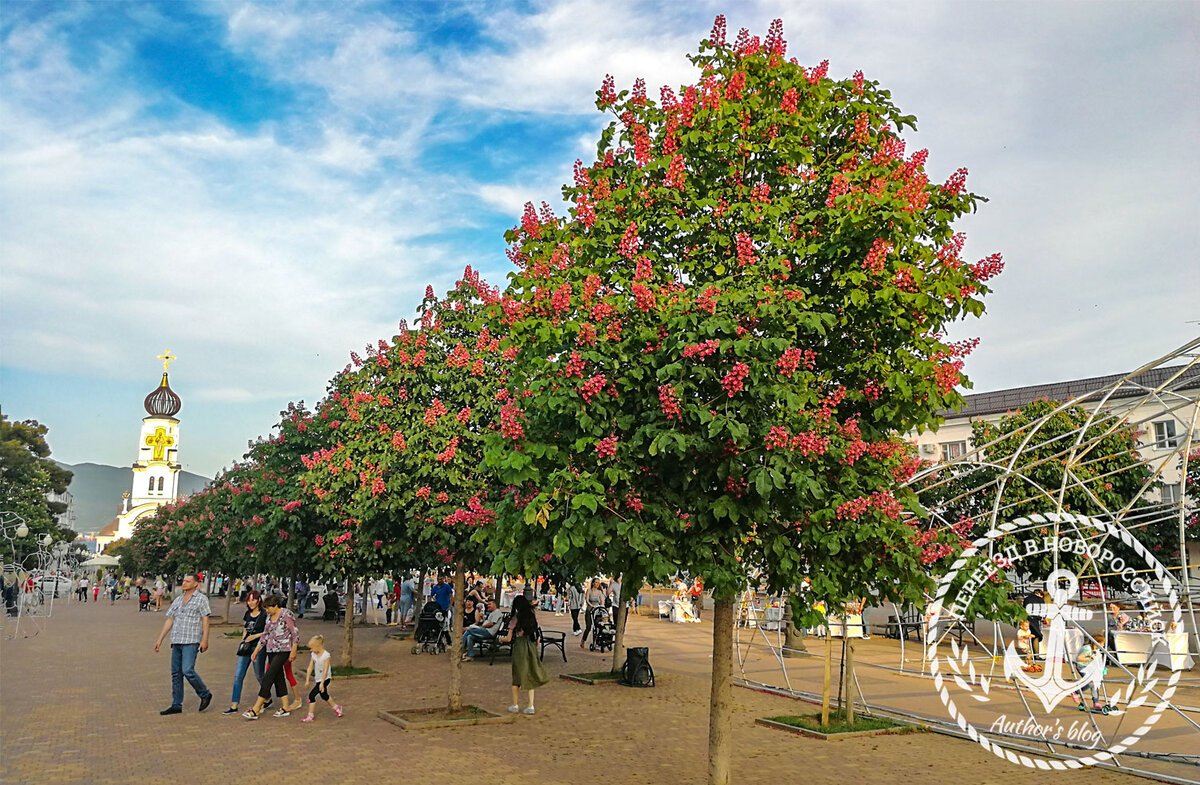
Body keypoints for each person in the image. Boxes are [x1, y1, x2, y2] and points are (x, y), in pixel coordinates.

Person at [152, 572, 213, 715]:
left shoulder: (201, 599)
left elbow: (205, 619)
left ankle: (204, 693)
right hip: (177, 640)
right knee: (176, 673)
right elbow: (170, 619)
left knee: (187, 670)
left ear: (195, 584)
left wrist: (205, 639)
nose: (184, 583)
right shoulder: (178, 600)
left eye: (187, 581)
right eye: (183, 581)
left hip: (191, 640)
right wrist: (160, 639)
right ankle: (176, 704)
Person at [243, 595, 299, 719]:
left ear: (275, 606)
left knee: (268, 675)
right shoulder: (269, 617)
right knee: (278, 677)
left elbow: (294, 633)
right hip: (271, 649)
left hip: (284, 649)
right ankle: (285, 706)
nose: (266, 611)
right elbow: (265, 635)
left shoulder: (286, 614)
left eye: (268, 608)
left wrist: (294, 650)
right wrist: (256, 650)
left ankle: (257, 707)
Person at [496, 595, 549, 715]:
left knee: (517, 675)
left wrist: (500, 640)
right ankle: (531, 705)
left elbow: (509, 638)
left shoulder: (515, 618)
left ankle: (515, 704)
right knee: (530, 672)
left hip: (520, 646)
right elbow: (537, 638)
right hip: (531, 645)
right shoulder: (531, 617)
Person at [223, 590, 267, 715]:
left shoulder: (264, 615)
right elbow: (245, 627)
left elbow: (267, 632)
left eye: (253, 599)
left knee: (259, 675)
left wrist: (254, 637)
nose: (251, 602)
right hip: (246, 648)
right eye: (249, 600)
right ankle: (234, 704)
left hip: (258, 647)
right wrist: (243, 639)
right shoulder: (248, 614)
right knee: (238, 676)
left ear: (258, 600)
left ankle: (266, 696)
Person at [301, 635, 342, 722]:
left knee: (311, 695)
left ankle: (310, 715)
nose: (311, 650)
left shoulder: (326, 656)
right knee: (324, 696)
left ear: (317, 646)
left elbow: (325, 670)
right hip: (318, 678)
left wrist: (322, 683)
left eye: (312, 648)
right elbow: (310, 667)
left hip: (325, 678)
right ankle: (337, 707)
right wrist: (307, 680)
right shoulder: (313, 655)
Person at [580, 578, 605, 649]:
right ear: (593, 583)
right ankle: (583, 640)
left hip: (597, 611)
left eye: (598, 583)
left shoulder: (600, 592)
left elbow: (602, 601)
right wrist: (592, 606)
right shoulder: (589, 591)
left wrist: (601, 607)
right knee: (588, 626)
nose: (597, 584)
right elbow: (587, 600)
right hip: (590, 610)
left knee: (598, 626)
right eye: (596, 582)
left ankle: (597, 641)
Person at [1022, 589, 1045, 655]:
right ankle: (1036, 655)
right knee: (1036, 636)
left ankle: (1028, 654)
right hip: (1034, 620)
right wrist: (1042, 619)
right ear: (1039, 594)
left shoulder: (1026, 599)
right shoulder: (1040, 600)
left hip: (1026, 620)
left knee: (1027, 636)